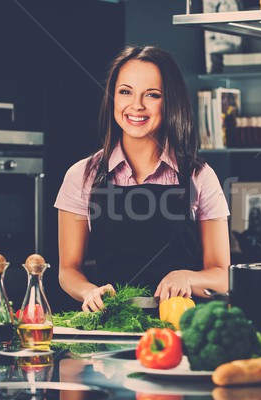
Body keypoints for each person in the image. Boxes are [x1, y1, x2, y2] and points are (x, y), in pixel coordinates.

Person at [55, 45, 231, 312]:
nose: (136, 105)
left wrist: (186, 277)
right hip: (110, 328)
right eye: (125, 92)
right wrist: (88, 291)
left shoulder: (199, 176)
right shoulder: (82, 175)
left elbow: (222, 275)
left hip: (180, 329)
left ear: (170, 102)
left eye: (152, 95)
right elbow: (68, 270)